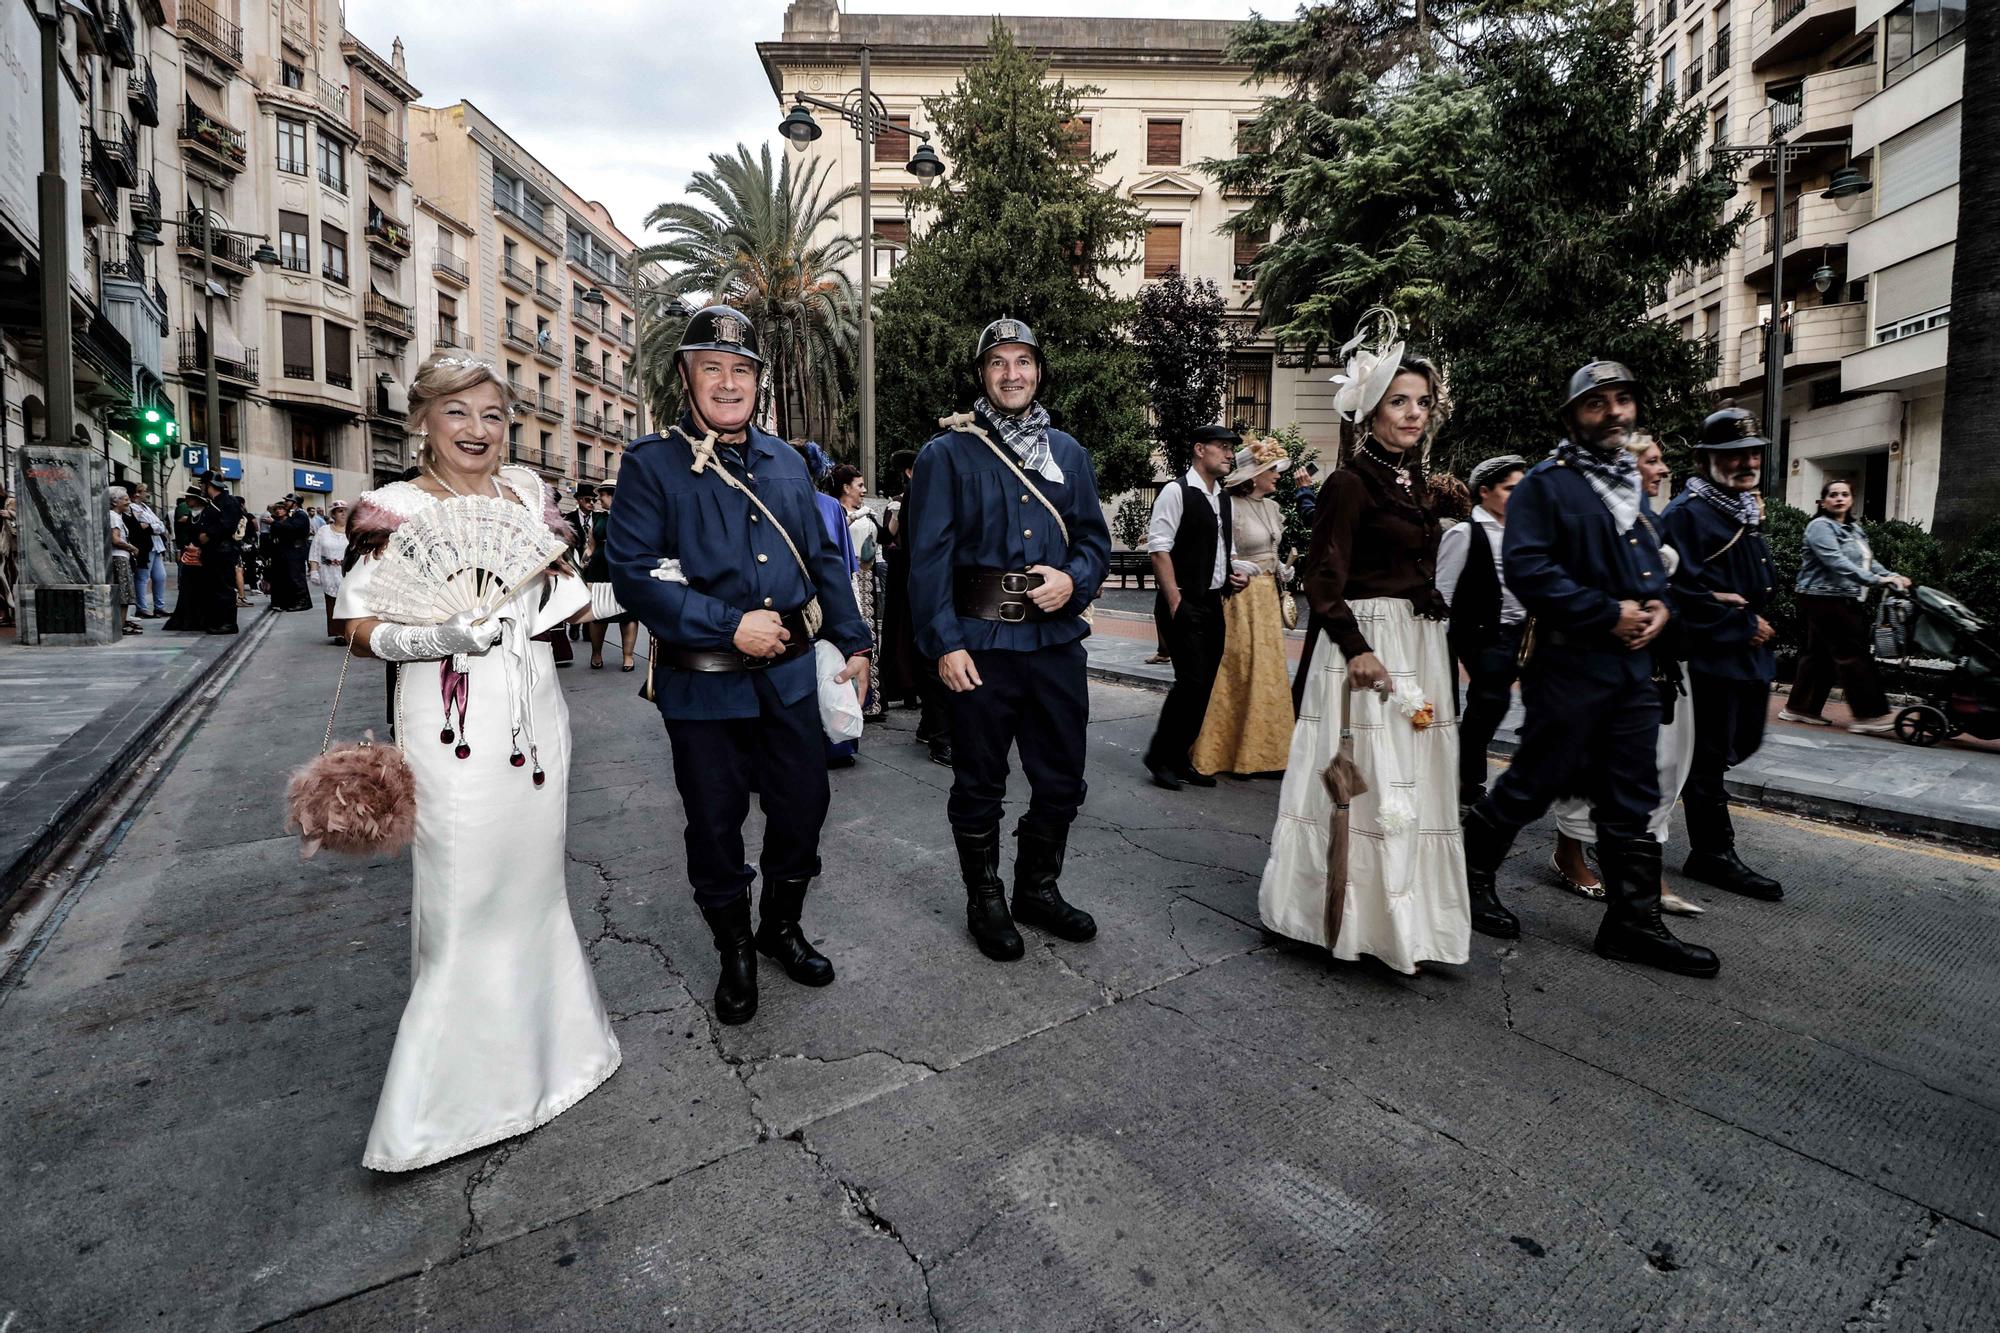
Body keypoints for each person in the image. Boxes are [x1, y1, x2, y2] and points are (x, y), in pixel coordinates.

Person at [335, 350, 622, 1172]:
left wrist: (651, 590)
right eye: (457, 412)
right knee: (462, 898)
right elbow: (353, 627)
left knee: (535, 892)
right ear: (423, 421)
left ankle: (556, 1063)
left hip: (537, 719)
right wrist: (436, 636)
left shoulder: (529, 495)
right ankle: (442, 1113)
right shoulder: (391, 508)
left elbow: (562, 597)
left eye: (493, 415)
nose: (478, 430)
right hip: (447, 727)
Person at [608, 306, 872, 1026]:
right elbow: (634, 574)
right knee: (715, 825)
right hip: (702, 684)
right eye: (713, 368)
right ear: (686, 377)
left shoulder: (788, 463)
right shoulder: (650, 464)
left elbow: (822, 563)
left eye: (742, 370)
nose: (729, 382)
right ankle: (735, 951)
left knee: (803, 807)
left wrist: (855, 642)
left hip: (785, 679)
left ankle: (780, 927)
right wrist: (730, 624)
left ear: (759, 383)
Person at [1461, 360, 1718, 978]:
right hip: (1569, 667)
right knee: (1533, 782)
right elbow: (1529, 570)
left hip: (1633, 673)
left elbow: (1652, 571)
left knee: (1632, 794)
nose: (1614, 412)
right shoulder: (1546, 485)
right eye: (1597, 403)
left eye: (1623, 399)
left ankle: (1631, 925)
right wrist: (1607, 613)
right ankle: (1468, 882)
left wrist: (1658, 606)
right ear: (1573, 415)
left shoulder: (1630, 485)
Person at [1257, 317, 1468, 976]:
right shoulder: (1350, 482)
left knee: (1415, 774)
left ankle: (1405, 917)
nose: (1413, 412)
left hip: (1416, 650)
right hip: (1367, 650)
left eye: (1421, 401)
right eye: (1399, 401)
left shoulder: (1415, 480)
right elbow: (1322, 578)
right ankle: (1348, 916)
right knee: (1368, 780)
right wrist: (1355, 648)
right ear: (1371, 409)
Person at [908, 316, 1111, 962]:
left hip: (1054, 644)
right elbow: (927, 559)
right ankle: (985, 898)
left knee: (1062, 781)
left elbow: (1093, 544)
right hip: (980, 644)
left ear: (1039, 371)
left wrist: (1072, 580)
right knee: (979, 784)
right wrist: (944, 643)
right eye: (998, 362)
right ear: (982, 375)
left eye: (1023, 360)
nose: (1012, 373)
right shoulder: (946, 455)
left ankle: (1036, 888)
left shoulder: (1069, 454)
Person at [1545, 433, 1702, 916]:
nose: (1661, 469)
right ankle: (1576, 857)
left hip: (1660, 663)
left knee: (1662, 766)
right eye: (1651, 461)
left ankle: (1639, 874)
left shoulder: (1649, 517)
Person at [1662, 409, 1783, 902]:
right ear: (1706, 459)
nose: (1746, 462)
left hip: (1746, 654)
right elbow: (1673, 592)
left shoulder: (1741, 508)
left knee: (1741, 742)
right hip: (1709, 655)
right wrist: (1736, 621)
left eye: (1752, 453)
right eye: (1734, 455)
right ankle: (1712, 851)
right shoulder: (1687, 513)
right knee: (1708, 757)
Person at [1143, 424, 1247, 789]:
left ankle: (1179, 757)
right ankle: (1160, 759)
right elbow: (1159, 549)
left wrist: (1234, 574)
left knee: (1203, 686)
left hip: (1214, 600)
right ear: (1200, 449)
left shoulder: (1222, 496)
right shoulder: (1176, 491)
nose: (1230, 454)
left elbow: (1223, 549)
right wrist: (1175, 601)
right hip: (1184, 600)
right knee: (1190, 682)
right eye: (1224, 447)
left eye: (1231, 449)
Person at [1190, 435, 1294, 777]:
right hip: (1240, 598)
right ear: (1254, 475)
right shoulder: (1228, 505)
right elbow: (1219, 549)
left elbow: (1272, 551)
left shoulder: (1274, 508)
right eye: (1272, 469)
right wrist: (1231, 569)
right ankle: (1227, 752)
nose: (1278, 474)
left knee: (1268, 674)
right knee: (1238, 669)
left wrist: (1282, 569)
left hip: (1267, 598)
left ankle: (1267, 753)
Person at [1782, 478, 1912, 733]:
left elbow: (1867, 561)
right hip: (1822, 596)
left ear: (1851, 499)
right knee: (1853, 653)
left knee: (1819, 654)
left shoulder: (1853, 529)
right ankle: (1869, 715)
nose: (1839, 498)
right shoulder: (1819, 527)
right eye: (1833, 495)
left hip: (1841, 596)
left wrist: (1891, 575)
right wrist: (1877, 580)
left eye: (1844, 494)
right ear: (1823, 501)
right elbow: (1836, 561)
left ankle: (1800, 707)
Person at [1437, 454, 1528, 810]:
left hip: (1521, 632)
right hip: (1479, 632)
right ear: (1485, 492)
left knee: (1507, 703)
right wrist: (1438, 644)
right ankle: (1468, 780)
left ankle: (1465, 771)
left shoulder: (1521, 530)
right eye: (1510, 489)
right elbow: (1443, 592)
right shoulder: (1464, 533)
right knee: (1491, 701)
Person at [883, 448, 952, 766]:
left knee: (930, 656)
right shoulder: (921, 492)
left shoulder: (919, 491)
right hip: (928, 584)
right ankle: (940, 735)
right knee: (935, 659)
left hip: (924, 583)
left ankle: (932, 727)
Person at [814, 467, 865, 769]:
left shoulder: (829, 505)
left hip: (825, 603)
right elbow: (843, 568)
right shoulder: (830, 506)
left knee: (834, 675)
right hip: (828, 602)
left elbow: (840, 565)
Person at [837, 467, 886, 721]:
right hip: (848, 581)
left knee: (870, 641)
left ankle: (873, 702)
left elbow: (886, 537)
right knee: (853, 643)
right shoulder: (837, 512)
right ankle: (853, 700)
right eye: (859, 485)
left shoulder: (865, 514)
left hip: (867, 578)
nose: (864, 490)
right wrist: (855, 518)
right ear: (846, 488)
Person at [582, 484, 639, 671]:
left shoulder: (631, 516)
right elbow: (591, 544)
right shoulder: (598, 517)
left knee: (628, 613)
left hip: (623, 565)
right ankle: (596, 654)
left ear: (614, 496)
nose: (598, 499)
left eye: (603, 495)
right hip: (599, 567)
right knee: (598, 612)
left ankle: (628, 656)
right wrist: (585, 559)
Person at [190, 472, 244, 634]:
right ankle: (217, 620)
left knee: (224, 587)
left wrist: (208, 535)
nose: (201, 488)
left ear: (210, 485)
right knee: (214, 587)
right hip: (213, 551)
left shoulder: (228, 502)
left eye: (203, 484)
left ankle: (228, 623)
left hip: (223, 550)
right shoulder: (214, 502)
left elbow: (228, 525)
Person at [163, 487, 209, 632]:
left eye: (189, 498)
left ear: (196, 500)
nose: (187, 500)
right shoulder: (191, 515)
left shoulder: (205, 515)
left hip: (202, 556)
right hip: (190, 555)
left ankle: (199, 618)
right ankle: (189, 618)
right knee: (187, 586)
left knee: (200, 587)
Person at [309, 500, 350, 644]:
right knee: (333, 602)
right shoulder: (323, 531)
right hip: (329, 572)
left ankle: (351, 631)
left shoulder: (354, 530)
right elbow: (315, 551)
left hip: (348, 571)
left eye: (345, 510)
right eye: (340, 511)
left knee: (350, 601)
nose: (343, 513)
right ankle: (339, 633)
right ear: (333, 514)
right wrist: (314, 571)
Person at [128, 483, 170, 619]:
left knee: (160, 576)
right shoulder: (132, 507)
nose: (148, 494)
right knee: (143, 577)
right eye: (145, 491)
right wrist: (153, 527)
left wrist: (152, 526)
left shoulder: (145, 507)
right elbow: (142, 526)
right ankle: (142, 607)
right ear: (137, 493)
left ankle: (159, 606)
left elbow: (160, 525)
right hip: (146, 545)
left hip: (156, 544)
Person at [107, 485, 142, 637]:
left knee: (124, 594)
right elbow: (115, 539)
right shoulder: (113, 516)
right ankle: (120, 626)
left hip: (121, 557)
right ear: (115, 502)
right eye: (125, 499)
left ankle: (121, 624)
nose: (128, 502)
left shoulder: (117, 516)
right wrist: (131, 547)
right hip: (119, 558)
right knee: (123, 594)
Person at [269, 499, 315, 612]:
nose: (285, 504)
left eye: (287, 502)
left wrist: (274, 523)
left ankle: (302, 602)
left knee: (296, 577)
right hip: (287, 551)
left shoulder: (300, 515)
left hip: (295, 550)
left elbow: (293, 529)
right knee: (291, 577)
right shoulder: (295, 515)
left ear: (294, 502)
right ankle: (292, 601)